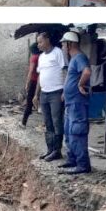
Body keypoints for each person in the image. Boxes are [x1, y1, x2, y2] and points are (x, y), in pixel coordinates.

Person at [58, 32, 92, 174]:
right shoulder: (73, 59)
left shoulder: (79, 57)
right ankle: (72, 160)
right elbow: (71, 77)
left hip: (77, 103)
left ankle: (83, 165)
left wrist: (79, 85)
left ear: (69, 44)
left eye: (63, 44)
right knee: (68, 132)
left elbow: (87, 72)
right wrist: (65, 92)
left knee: (77, 133)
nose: (62, 46)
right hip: (71, 103)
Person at [35, 32, 67, 162]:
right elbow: (40, 76)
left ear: (47, 40)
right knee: (47, 122)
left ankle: (57, 151)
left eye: (40, 42)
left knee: (57, 121)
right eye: (38, 42)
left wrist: (65, 91)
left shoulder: (58, 52)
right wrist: (36, 94)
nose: (38, 45)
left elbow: (65, 71)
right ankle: (50, 149)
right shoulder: (41, 57)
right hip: (44, 93)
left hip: (56, 92)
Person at [22, 42, 41, 126]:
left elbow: (31, 71)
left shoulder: (34, 57)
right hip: (42, 81)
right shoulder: (42, 56)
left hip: (34, 81)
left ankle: (24, 122)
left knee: (29, 100)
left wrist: (27, 83)